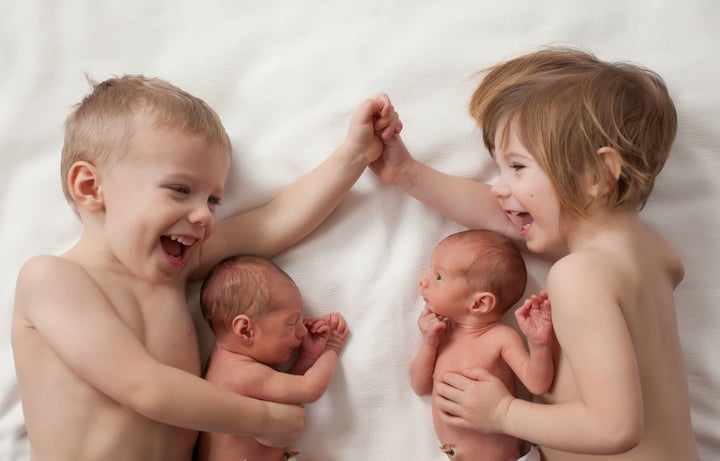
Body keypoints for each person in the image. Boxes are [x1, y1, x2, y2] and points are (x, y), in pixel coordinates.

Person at [11, 74, 401, 461]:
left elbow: (272, 221)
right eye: (180, 190)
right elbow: (142, 385)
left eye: (214, 200)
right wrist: (261, 418)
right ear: (90, 188)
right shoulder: (51, 279)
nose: (203, 216)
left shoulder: (173, 275)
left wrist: (354, 155)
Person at [371, 47, 700, 460]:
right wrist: (408, 175)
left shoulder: (580, 275)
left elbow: (615, 427)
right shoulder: (650, 252)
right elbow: (510, 219)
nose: (499, 188)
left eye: (518, 167)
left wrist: (503, 412)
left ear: (596, 175)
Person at [411, 229, 551, 461]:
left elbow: (537, 384)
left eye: (438, 277)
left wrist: (539, 345)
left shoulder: (500, 338)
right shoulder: (442, 335)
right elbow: (420, 386)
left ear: (480, 303)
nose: (423, 280)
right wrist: (428, 343)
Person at [195, 255, 349, 461]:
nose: (302, 331)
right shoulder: (241, 375)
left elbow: (287, 394)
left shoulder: (227, 365)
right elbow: (309, 388)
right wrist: (332, 347)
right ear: (246, 330)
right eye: (292, 322)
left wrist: (308, 356)